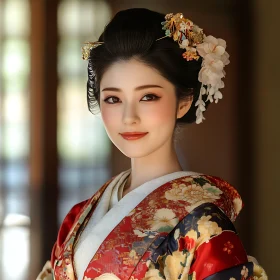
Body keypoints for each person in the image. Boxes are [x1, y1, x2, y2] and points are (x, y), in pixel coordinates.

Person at [36, 8, 267, 280]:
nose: (129, 117)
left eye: (148, 97)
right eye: (113, 99)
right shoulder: (79, 217)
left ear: (184, 101)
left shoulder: (203, 227)